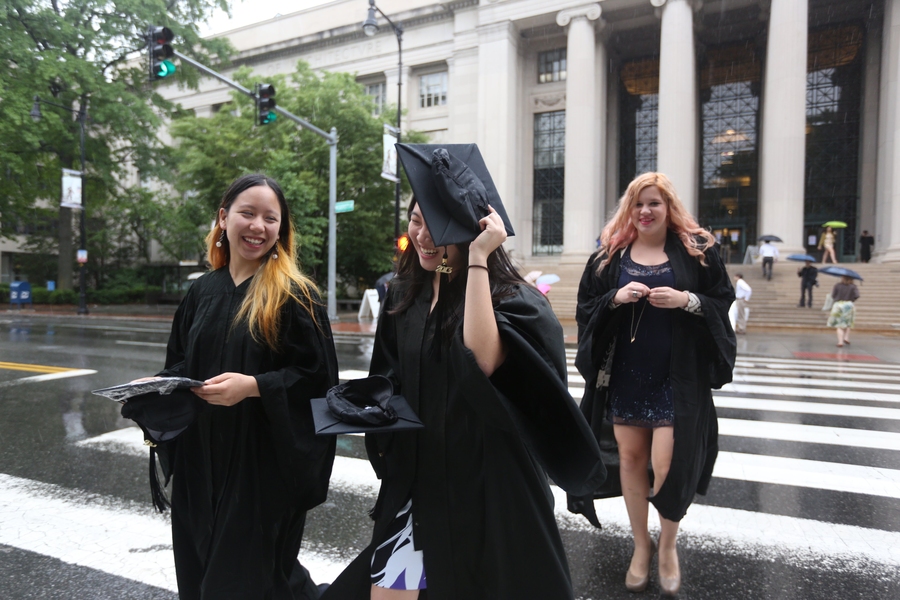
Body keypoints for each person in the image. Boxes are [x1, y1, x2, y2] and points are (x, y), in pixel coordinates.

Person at [322, 144, 605, 600]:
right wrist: (367, 407)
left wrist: (475, 260)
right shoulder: (405, 297)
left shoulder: (515, 301)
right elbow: (392, 379)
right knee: (390, 592)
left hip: (487, 487)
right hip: (419, 480)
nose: (423, 236)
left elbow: (484, 360)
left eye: (437, 225)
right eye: (416, 220)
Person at [137, 174, 338, 599]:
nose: (258, 227)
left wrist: (255, 386)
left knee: (247, 577)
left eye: (271, 219)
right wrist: (156, 384)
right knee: (200, 566)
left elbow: (319, 380)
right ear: (224, 218)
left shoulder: (295, 295)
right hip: (200, 458)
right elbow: (182, 360)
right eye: (248, 213)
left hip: (259, 463)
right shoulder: (201, 292)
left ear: (281, 231)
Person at [569, 172, 736, 597]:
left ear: (668, 208)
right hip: (626, 375)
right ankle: (640, 547)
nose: (646, 211)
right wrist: (615, 299)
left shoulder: (697, 253)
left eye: (654, 203)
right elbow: (587, 307)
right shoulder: (609, 257)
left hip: (676, 377)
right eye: (638, 204)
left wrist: (687, 301)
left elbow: (721, 299)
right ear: (630, 209)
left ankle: (668, 547)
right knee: (629, 459)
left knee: (668, 464)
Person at [827, 275, 860, 347]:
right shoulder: (853, 286)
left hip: (838, 305)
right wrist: (852, 300)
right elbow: (857, 295)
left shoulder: (837, 285)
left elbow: (833, 295)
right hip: (849, 305)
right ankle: (846, 337)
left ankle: (840, 342)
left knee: (839, 324)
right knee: (848, 322)